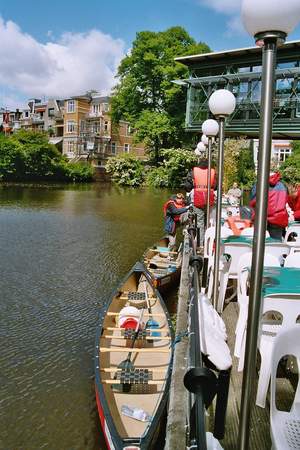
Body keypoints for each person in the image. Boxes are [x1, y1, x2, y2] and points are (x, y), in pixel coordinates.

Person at [184, 160, 216, 246]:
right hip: (210, 199)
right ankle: (208, 243)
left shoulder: (193, 172)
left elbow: (187, 186)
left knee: (199, 223)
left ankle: (200, 244)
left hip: (198, 200)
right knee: (209, 222)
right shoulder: (213, 172)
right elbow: (216, 186)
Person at [250, 171, 288, 240]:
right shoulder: (282, 185)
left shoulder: (258, 184)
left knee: (259, 242)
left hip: (261, 216)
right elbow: (285, 201)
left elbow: (253, 201)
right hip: (278, 217)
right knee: (275, 243)